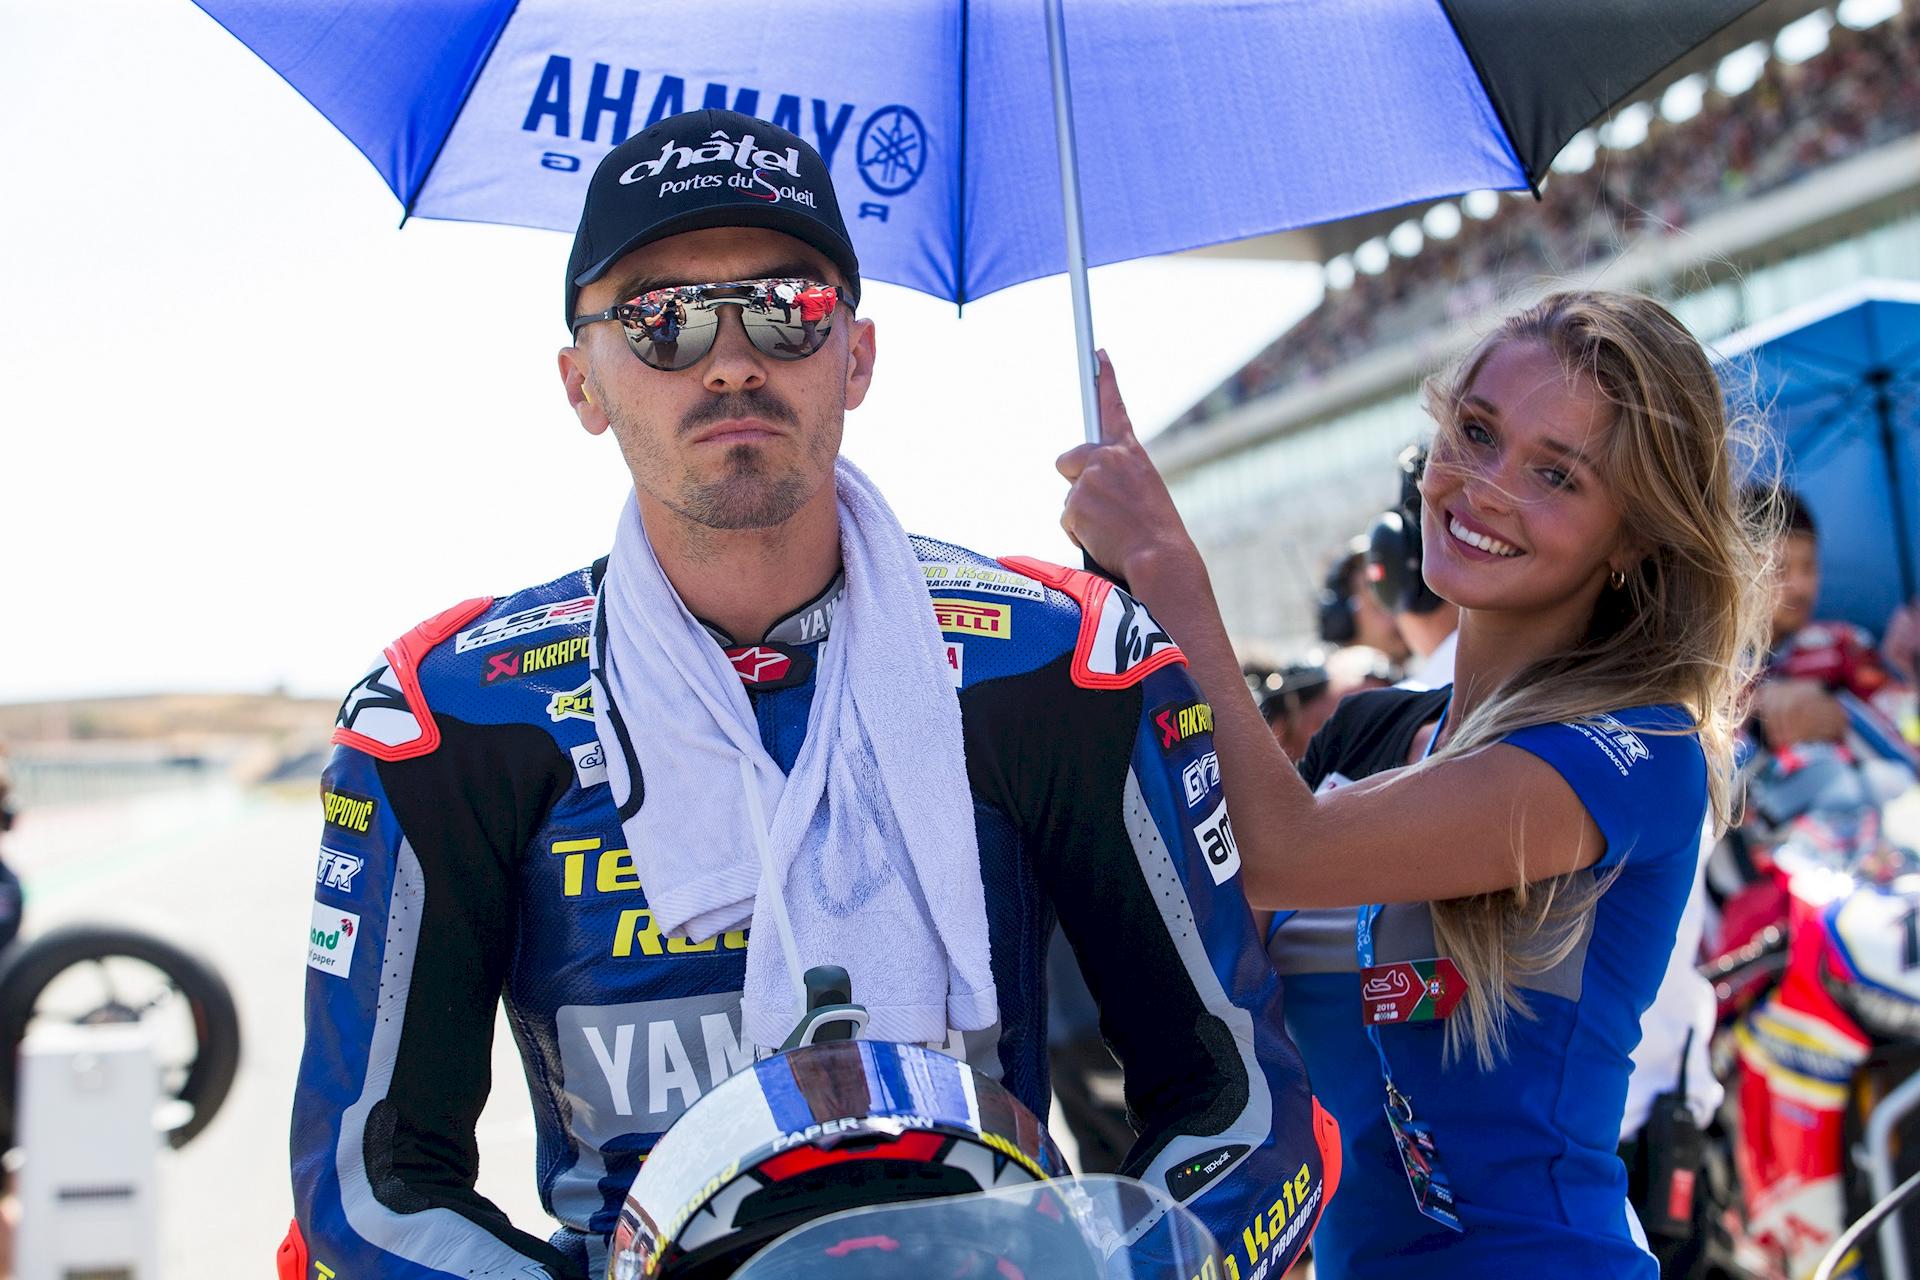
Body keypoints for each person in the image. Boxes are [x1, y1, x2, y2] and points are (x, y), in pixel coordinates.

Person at [283, 109, 1335, 1280]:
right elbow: (368, 1187)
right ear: (582, 381)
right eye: (663, 318)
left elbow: (1241, 1111)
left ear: (857, 356)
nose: (733, 358)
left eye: (788, 307)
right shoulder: (451, 715)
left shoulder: (1064, 663)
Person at [1058, 290, 1773, 1278]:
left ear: (1634, 536)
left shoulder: (1637, 751)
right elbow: (1211, 965)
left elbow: (1280, 849)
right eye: (1475, 432)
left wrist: (1162, 561)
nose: (1484, 488)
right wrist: (1110, 610)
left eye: (1555, 474)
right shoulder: (1369, 732)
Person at [1750, 486, 1918, 757]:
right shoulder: (1712, 670)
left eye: (1809, 567)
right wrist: (1757, 720)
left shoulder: (1844, 644)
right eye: (1779, 569)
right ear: (1738, 573)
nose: (1800, 586)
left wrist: (1905, 674)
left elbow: (1908, 732)